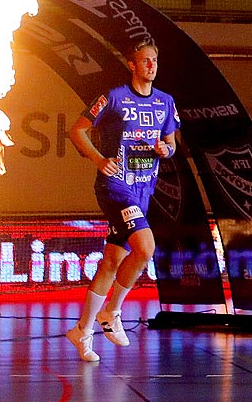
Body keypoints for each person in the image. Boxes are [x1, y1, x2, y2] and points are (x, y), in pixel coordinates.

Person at [63, 38, 180, 363]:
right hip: (116, 186)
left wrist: (165, 150)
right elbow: (77, 131)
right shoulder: (114, 98)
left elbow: (171, 144)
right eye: (145, 61)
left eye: (154, 60)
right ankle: (112, 311)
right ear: (132, 64)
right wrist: (100, 159)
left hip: (145, 188)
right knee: (145, 248)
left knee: (112, 261)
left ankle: (82, 331)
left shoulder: (165, 102)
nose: (151, 66)